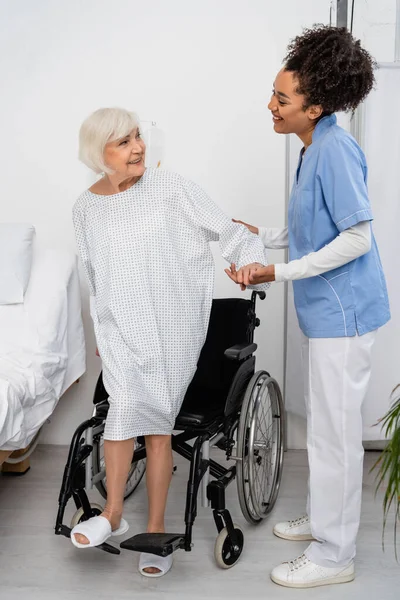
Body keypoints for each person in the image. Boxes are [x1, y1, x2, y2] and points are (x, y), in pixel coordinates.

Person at [71, 107, 269, 577]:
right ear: (99, 153)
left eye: (138, 136)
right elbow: (94, 277)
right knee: (122, 409)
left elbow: (229, 230)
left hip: (174, 325)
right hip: (121, 328)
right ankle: (114, 515)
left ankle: (155, 527)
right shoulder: (85, 207)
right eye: (123, 142)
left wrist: (248, 263)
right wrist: (103, 330)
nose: (138, 147)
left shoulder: (171, 188)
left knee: (157, 421)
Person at [227, 25, 390, 589]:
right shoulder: (314, 146)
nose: (270, 105)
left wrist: (279, 271)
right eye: (274, 93)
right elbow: (311, 228)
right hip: (326, 315)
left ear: (315, 106)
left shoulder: (336, 151)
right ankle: (325, 524)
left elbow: (356, 239)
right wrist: (264, 236)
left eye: (282, 99)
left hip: (343, 318)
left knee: (337, 439)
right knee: (322, 427)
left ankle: (334, 555)